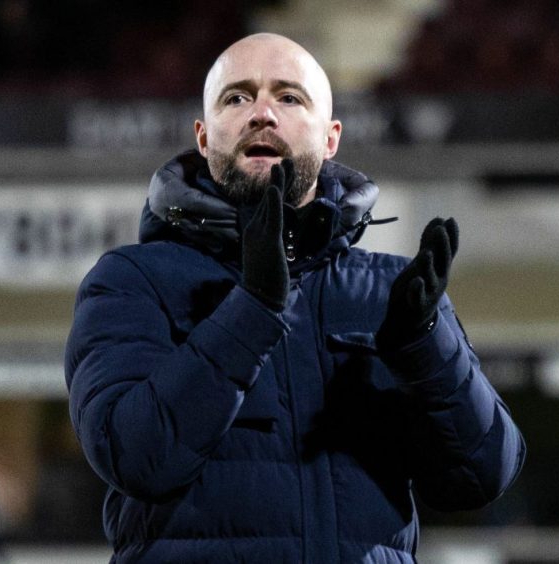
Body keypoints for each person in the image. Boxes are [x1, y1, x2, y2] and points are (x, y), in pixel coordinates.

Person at [65, 32, 525, 563]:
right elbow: (133, 454)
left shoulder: (394, 295)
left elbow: (482, 476)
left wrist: (425, 346)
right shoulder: (131, 280)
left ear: (331, 139)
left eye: (289, 97)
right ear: (203, 137)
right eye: (236, 98)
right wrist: (252, 309)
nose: (262, 113)